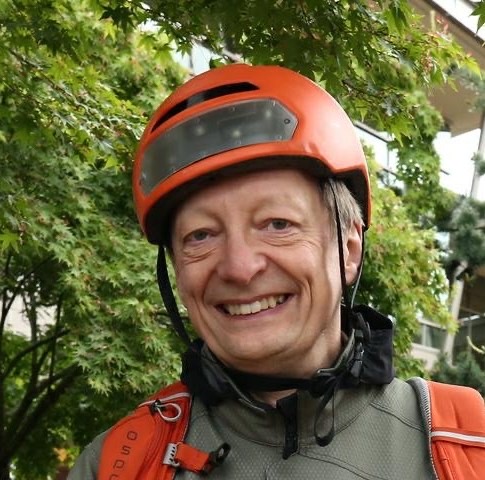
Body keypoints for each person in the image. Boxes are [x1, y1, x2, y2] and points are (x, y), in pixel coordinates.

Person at [68, 64, 481, 480]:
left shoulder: (468, 447)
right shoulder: (119, 464)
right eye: (200, 235)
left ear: (349, 249)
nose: (239, 267)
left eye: (277, 224)